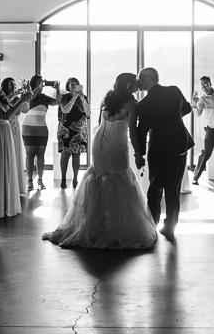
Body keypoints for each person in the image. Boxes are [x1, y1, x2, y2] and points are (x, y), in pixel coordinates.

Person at [43, 73, 157, 249]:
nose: (137, 85)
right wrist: (139, 155)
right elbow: (133, 132)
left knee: (99, 178)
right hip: (117, 147)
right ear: (128, 85)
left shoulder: (107, 98)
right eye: (135, 83)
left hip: (99, 145)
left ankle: (95, 226)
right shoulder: (132, 104)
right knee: (119, 179)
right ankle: (112, 228)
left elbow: (98, 123)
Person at [134, 67, 194, 239]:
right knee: (173, 188)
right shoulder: (174, 91)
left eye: (140, 78)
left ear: (149, 79)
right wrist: (173, 118)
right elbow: (188, 109)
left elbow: (142, 131)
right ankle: (170, 227)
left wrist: (141, 155)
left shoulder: (144, 104)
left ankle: (153, 224)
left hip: (158, 146)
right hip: (178, 144)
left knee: (155, 187)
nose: (138, 82)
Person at [0, 74, 38, 218]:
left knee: (5, 167)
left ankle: (4, 202)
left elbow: (15, 111)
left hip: (4, 134)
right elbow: (6, 116)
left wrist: (23, 100)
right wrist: (21, 100)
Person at [21, 75, 60, 191]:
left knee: (41, 154)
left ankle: (40, 180)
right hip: (28, 128)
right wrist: (37, 88)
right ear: (33, 84)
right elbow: (28, 102)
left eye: (41, 82)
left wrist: (57, 89)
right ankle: (29, 180)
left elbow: (57, 101)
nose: (40, 84)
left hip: (42, 128)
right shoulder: (29, 94)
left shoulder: (44, 97)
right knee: (30, 154)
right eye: (37, 82)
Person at [57, 77, 90, 188]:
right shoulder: (64, 97)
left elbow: (88, 113)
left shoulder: (83, 97)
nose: (73, 86)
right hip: (65, 129)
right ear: (68, 86)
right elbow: (65, 110)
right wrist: (74, 98)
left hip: (79, 130)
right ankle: (63, 179)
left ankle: (75, 179)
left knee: (77, 155)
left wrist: (82, 99)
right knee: (65, 154)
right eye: (71, 84)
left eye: (75, 84)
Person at [1, 77, 28, 194]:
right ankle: (7, 182)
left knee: (16, 153)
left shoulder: (17, 98)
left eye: (14, 85)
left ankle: (16, 184)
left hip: (16, 126)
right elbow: (3, 105)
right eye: (10, 85)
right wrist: (14, 94)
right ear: (5, 86)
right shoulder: (2, 97)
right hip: (6, 126)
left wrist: (25, 99)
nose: (13, 87)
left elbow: (25, 110)